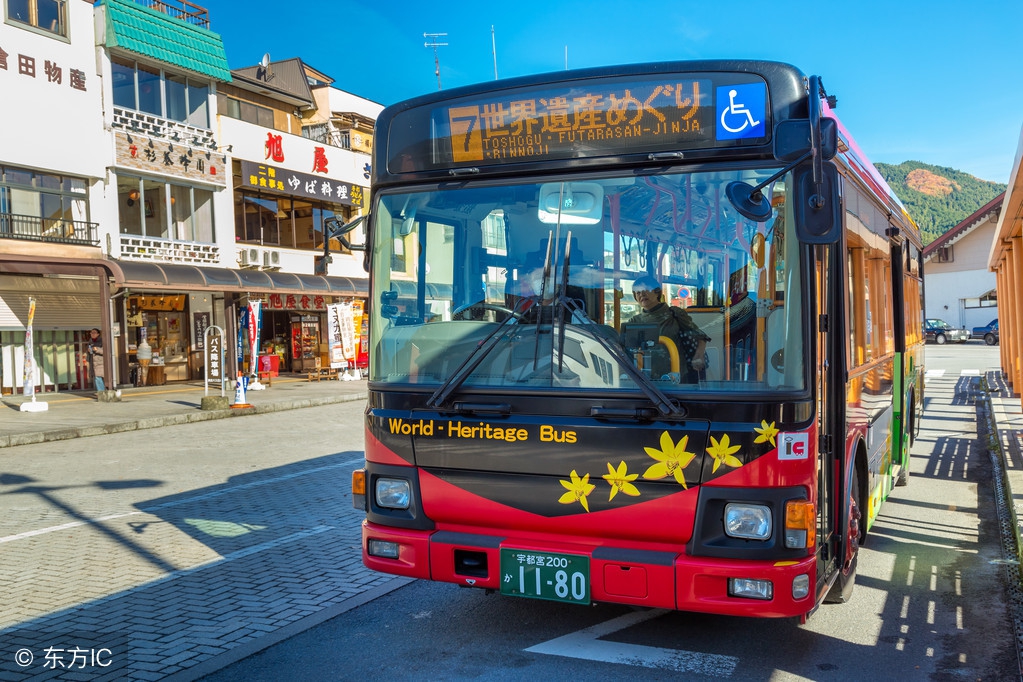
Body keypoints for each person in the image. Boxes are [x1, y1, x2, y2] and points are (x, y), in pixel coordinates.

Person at [627, 275, 709, 383]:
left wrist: (698, 356)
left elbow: (700, 336)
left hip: (676, 375)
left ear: (657, 292)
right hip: (646, 378)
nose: (641, 294)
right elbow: (627, 348)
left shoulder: (675, 314)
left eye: (645, 290)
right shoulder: (634, 321)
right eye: (637, 293)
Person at [88, 328, 105, 392]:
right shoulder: (90, 341)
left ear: (98, 334)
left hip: (100, 362)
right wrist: (89, 351)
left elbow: (105, 351)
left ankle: (101, 392)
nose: (92, 334)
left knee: (98, 377)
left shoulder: (102, 341)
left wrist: (97, 349)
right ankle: (101, 392)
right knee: (97, 378)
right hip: (93, 362)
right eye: (91, 333)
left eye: (94, 333)